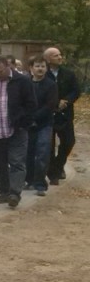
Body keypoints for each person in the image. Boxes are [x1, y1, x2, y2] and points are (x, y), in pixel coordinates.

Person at [0, 55, 35, 209]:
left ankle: (15, 193)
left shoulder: (22, 81)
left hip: (16, 129)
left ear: (8, 66)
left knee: (17, 162)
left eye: (1, 71)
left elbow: (31, 104)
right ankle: (4, 192)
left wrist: (24, 122)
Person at [45, 47, 80, 184]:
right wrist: (54, 103)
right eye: (55, 55)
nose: (60, 57)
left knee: (69, 141)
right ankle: (53, 174)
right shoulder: (43, 73)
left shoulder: (69, 74)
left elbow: (76, 91)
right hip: (48, 115)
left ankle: (58, 166)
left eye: (60, 54)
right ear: (48, 59)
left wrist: (67, 101)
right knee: (48, 145)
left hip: (65, 114)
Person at [26, 54, 58, 197]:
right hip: (27, 124)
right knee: (28, 153)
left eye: (43, 66)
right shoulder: (26, 83)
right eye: (37, 66)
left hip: (45, 123)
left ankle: (40, 183)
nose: (40, 69)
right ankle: (29, 180)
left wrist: (35, 116)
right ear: (31, 68)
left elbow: (50, 105)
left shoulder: (51, 84)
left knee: (42, 153)